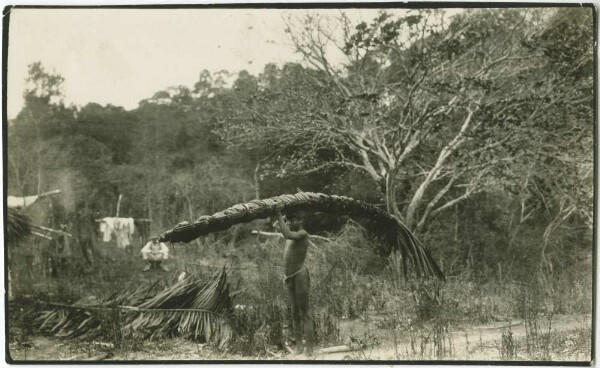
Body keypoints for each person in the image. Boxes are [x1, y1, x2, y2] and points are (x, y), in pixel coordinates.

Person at [273, 205, 314, 356]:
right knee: (295, 313)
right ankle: (299, 347)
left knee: (305, 312)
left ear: (301, 220)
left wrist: (278, 213)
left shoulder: (302, 234)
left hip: (300, 276)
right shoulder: (290, 230)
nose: (292, 222)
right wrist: (284, 216)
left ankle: (309, 350)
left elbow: (286, 234)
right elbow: (277, 225)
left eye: (295, 219)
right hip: (289, 278)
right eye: (290, 220)